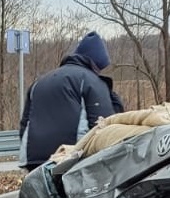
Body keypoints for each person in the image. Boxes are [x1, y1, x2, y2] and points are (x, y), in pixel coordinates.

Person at [18, 31, 125, 171]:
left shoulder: (39, 83)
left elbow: (25, 124)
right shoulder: (91, 82)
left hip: (34, 159)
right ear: (96, 63)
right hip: (71, 158)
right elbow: (103, 126)